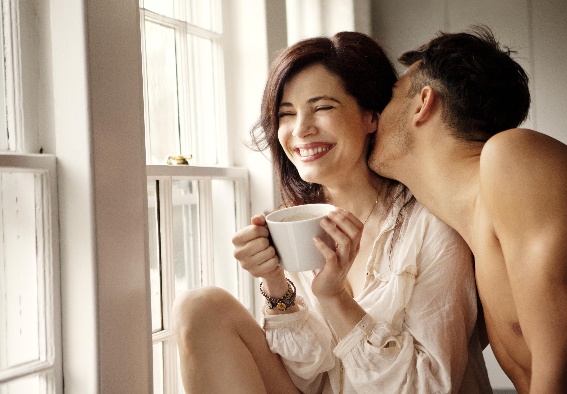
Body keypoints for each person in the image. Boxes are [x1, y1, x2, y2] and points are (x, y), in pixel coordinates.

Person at [368, 25, 567, 393]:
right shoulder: (464, 238)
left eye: (391, 95)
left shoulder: (513, 157)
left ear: (422, 102)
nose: (374, 115)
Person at [171, 31, 492, 394]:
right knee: (198, 307)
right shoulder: (293, 223)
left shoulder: (429, 223)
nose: (300, 130)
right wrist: (275, 283)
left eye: (322, 108)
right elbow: (307, 375)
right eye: (285, 114)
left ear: (372, 116)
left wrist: (333, 296)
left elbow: (427, 387)